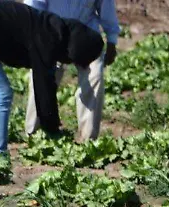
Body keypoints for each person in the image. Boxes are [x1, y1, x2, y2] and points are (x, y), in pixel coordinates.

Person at [0, 0, 104, 156]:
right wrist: (52, 129)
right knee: (2, 94)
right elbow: (44, 87)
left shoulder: (50, 27)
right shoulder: (48, 37)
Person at [23, 0, 119, 142]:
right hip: (52, 31)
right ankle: (34, 134)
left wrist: (112, 40)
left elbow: (107, 9)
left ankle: (88, 139)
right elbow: (33, 6)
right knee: (41, 79)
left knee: (95, 76)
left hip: (86, 32)